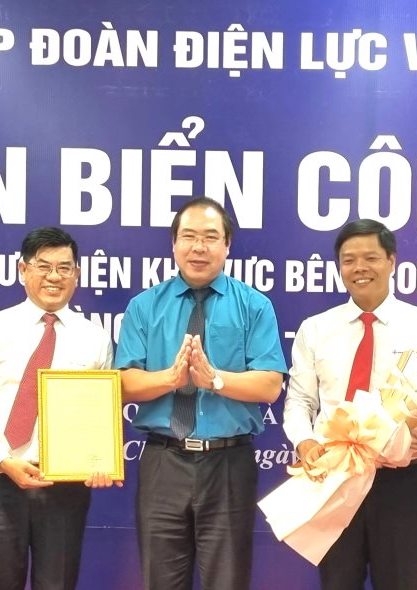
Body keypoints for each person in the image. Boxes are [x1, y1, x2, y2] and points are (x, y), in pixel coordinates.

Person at [282, 219, 417, 590]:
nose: (359, 268)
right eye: (349, 260)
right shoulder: (315, 329)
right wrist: (305, 443)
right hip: (335, 479)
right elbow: (299, 400)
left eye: (370, 258)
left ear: (392, 261)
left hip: (401, 483)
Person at [115, 196, 287, 590]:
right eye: (188, 236)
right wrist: (171, 380)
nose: (199, 247)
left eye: (211, 237)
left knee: (227, 581)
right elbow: (122, 383)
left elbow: (270, 385)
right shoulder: (144, 306)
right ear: (173, 244)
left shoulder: (254, 306)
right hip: (163, 460)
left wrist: (216, 380)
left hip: (228, 463)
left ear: (227, 245)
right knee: (161, 580)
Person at [0, 226, 120, 590]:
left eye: (64, 267)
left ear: (77, 274)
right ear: (22, 270)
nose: (54, 276)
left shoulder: (95, 338)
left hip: (64, 490)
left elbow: (99, 415)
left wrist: (98, 463)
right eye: (43, 266)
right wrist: (3, 460)